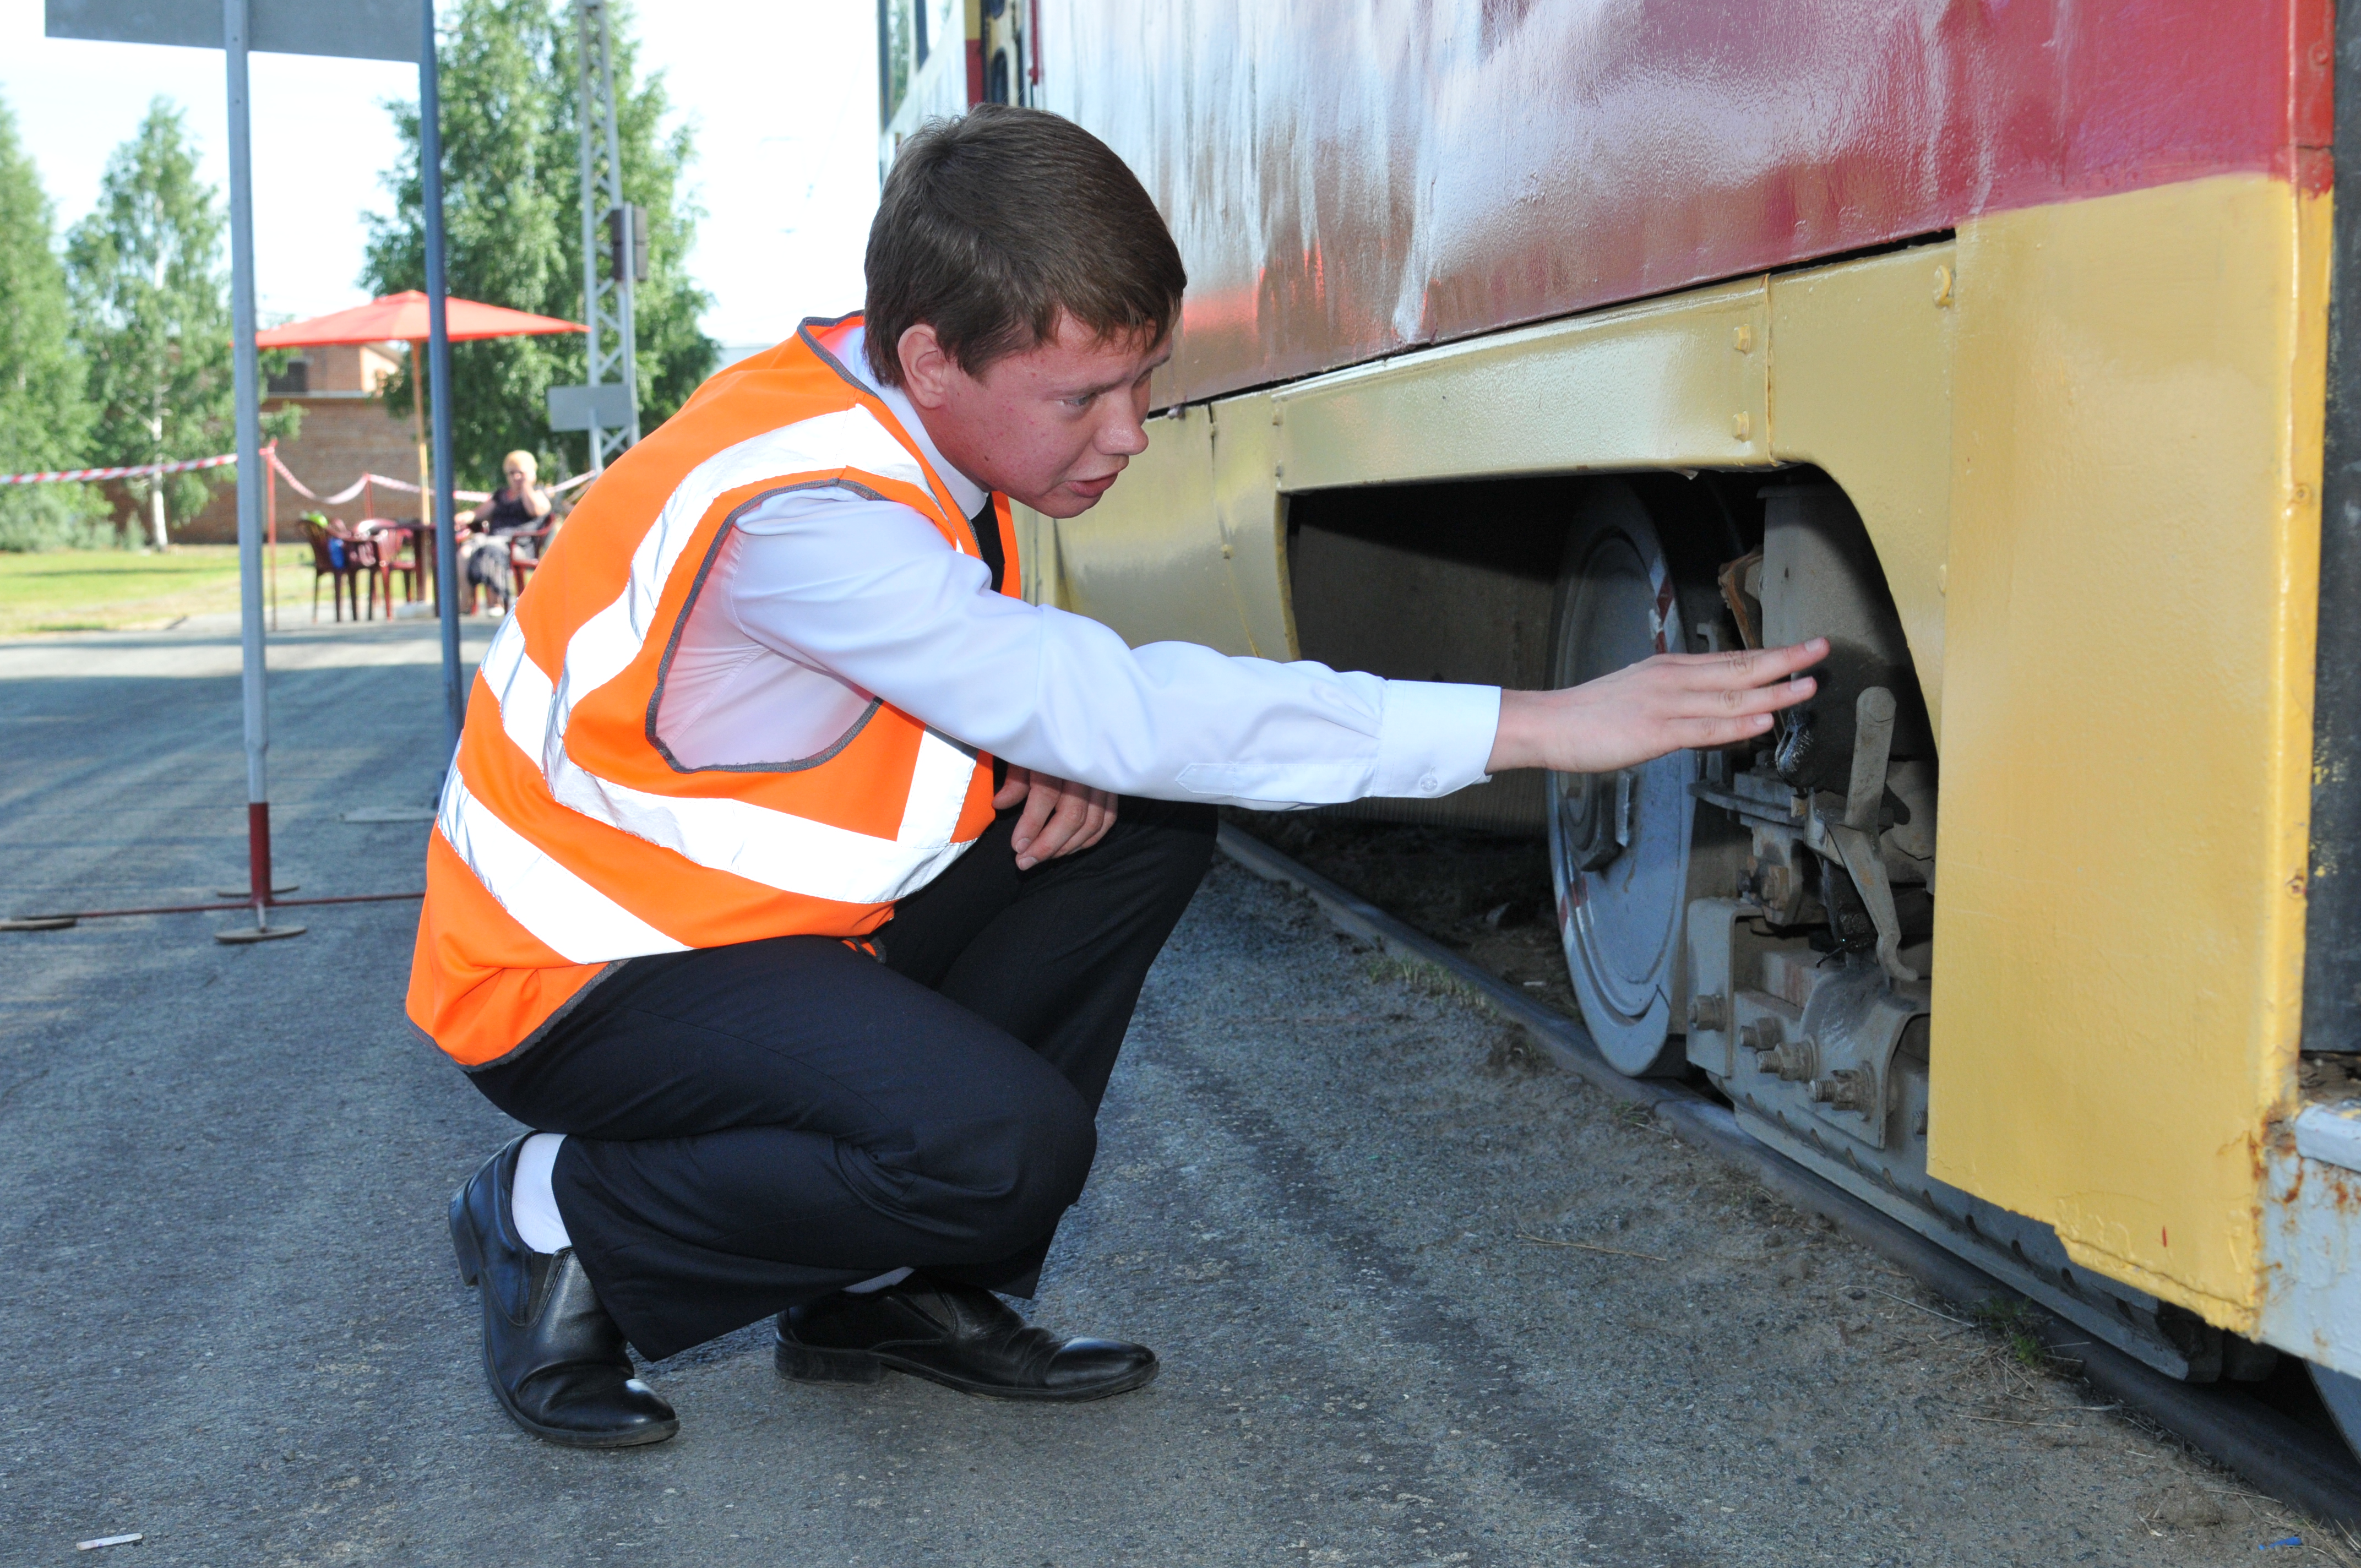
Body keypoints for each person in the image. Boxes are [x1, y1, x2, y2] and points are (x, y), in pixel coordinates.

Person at [411, 105, 1825, 1450]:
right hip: (581, 967)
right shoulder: (806, 514)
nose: (1127, 431)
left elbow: (929, 704)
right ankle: (558, 1217)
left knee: (1136, 823)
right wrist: (1541, 721)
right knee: (1006, 1141)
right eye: (1082, 394)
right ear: (928, 358)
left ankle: (884, 1289)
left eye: (1142, 381)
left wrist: (1034, 744)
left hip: (739, 920)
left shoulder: (886, 414)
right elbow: (1115, 699)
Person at [455, 449, 552, 613]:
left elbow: (537, 510)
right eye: (511, 473)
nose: (516, 477)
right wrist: (464, 517)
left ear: (531, 473)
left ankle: (497, 603)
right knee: (465, 552)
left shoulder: (539, 493)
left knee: (491, 551)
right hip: (493, 539)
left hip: (518, 546)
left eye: (520, 473)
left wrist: (526, 487)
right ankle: (465, 603)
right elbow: (479, 513)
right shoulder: (501, 495)